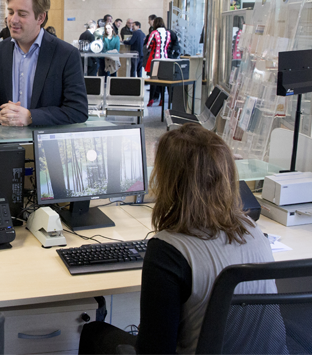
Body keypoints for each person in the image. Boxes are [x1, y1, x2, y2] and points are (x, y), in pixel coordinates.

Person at [78, 124, 277, 355]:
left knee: (95, 332)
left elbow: (154, 351)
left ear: (169, 180)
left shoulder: (169, 251)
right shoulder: (253, 229)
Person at [0, 0, 87, 126]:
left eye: (22, 14)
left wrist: (31, 116)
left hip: (47, 144)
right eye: (11, 12)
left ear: (41, 18)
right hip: (6, 143)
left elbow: (78, 110)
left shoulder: (66, 54)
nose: (13, 20)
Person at [145, 17, 172, 107]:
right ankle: (162, 99)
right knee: (162, 80)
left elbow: (148, 45)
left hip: (154, 58)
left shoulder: (154, 33)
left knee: (153, 80)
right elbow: (168, 45)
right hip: (165, 58)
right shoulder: (168, 33)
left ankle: (151, 99)